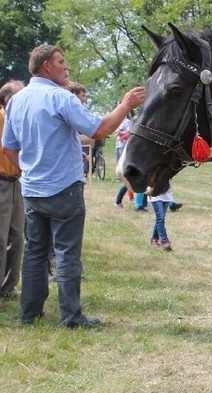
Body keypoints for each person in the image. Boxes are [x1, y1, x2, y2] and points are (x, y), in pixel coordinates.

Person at [1, 44, 145, 328]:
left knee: (35, 253)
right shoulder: (61, 98)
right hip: (64, 188)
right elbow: (99, 129)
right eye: (61, 62)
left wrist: (28, 168)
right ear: (47, 67)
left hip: (32, 189)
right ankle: (71, 316)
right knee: (67, 254)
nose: (66, 67)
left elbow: (8, 147)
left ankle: (29, 314)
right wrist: (125, 105)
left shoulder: (17, 100)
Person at [0, 80, 25, 305]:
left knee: (17, 237)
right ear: (8, 100)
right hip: (0, 183)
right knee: (0, 238)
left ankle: (9, 287)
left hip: (16, 182)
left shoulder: (18, 120)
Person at [150, 184, 174, 252]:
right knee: (160, 218)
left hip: (166, 194)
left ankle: (154, 239)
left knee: (160, 219)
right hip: (155, 194)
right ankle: (165, 241)